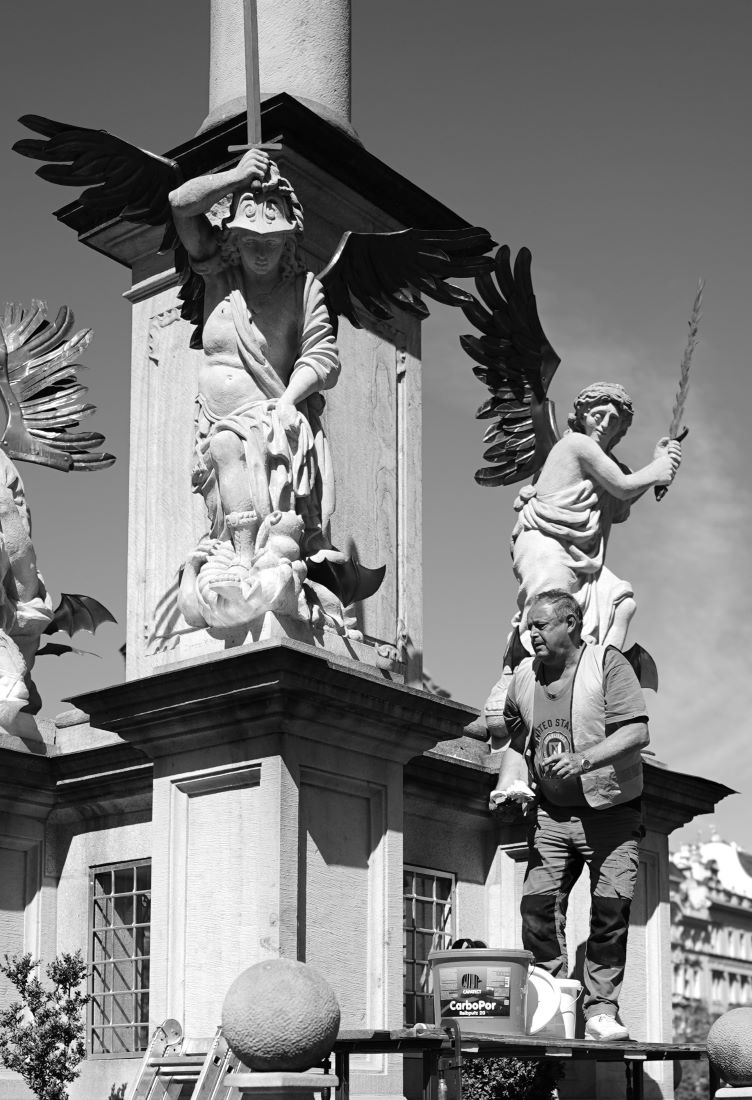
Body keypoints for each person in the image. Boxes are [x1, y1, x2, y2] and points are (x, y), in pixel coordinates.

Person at [169, 149, 342, 629]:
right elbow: (179, 204)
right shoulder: (217, 273)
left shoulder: (304, 289)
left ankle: (245, 560)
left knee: (228, 445)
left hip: (270, 420)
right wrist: (235, 176)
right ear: (234, 241)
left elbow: (323, 357)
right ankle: (235, 554)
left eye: (272, 241)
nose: (261, 251)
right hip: (211, 421)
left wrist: (287, 401)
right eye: (249, 241)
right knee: (222, 451)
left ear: (288, 242)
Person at [489, 588, 649, 1041]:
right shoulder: (524, 677)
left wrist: (584, 759)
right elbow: (518, 744)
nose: (532, 633)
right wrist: (511, 787)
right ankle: (554, 1000)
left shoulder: (607, 663)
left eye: (541, 625)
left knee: (610, 914)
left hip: (612, 816)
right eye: (529, 626)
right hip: (553, 815)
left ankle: (601, 1011)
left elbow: (637, 732)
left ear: (571, 624)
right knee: (536, 909)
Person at [511, 382, 681, 653]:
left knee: (621, 604)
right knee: (550, 613)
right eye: (598, 415)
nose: (604, 424)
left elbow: (620, 503)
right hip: (547, 543)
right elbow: (623, 487)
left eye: (614, 420)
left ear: (621, 428)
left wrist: (658, 466)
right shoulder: (576, 444)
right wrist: (657, 471)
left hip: (581, 556)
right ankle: (527, 667)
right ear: (582, 415)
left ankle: (598, 667)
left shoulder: (609, 464)